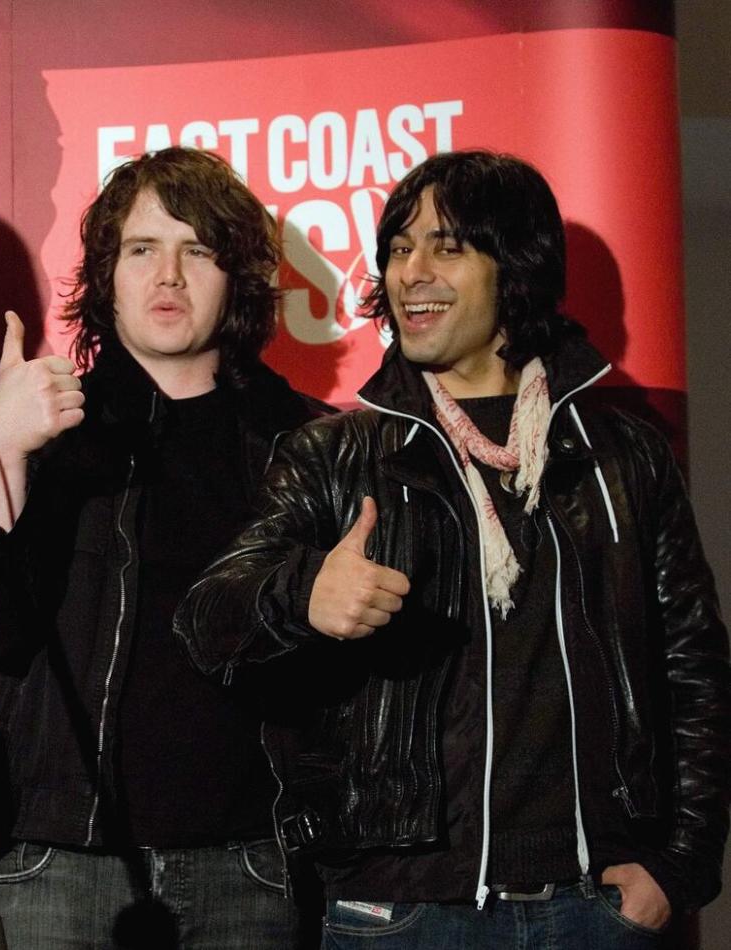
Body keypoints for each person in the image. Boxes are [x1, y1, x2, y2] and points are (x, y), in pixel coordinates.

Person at [174, 149, 731, 948]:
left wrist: (677, 867)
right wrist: (302, 595)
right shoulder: (337, 453)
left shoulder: (622, 454)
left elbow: (693, 671)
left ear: (516, 266)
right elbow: (206, 619)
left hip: (595, 904)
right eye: (400, 248)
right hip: (403, 910)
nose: (412, 273)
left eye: (446, 246)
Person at [0, 146, 330, 948]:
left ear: (238, 276)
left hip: (251, 865)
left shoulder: (307, 443)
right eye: (143, 249)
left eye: (199, 251)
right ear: (105, 275)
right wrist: (1, 455)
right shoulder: (37, 422)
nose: (169, 276)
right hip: (57, 864)